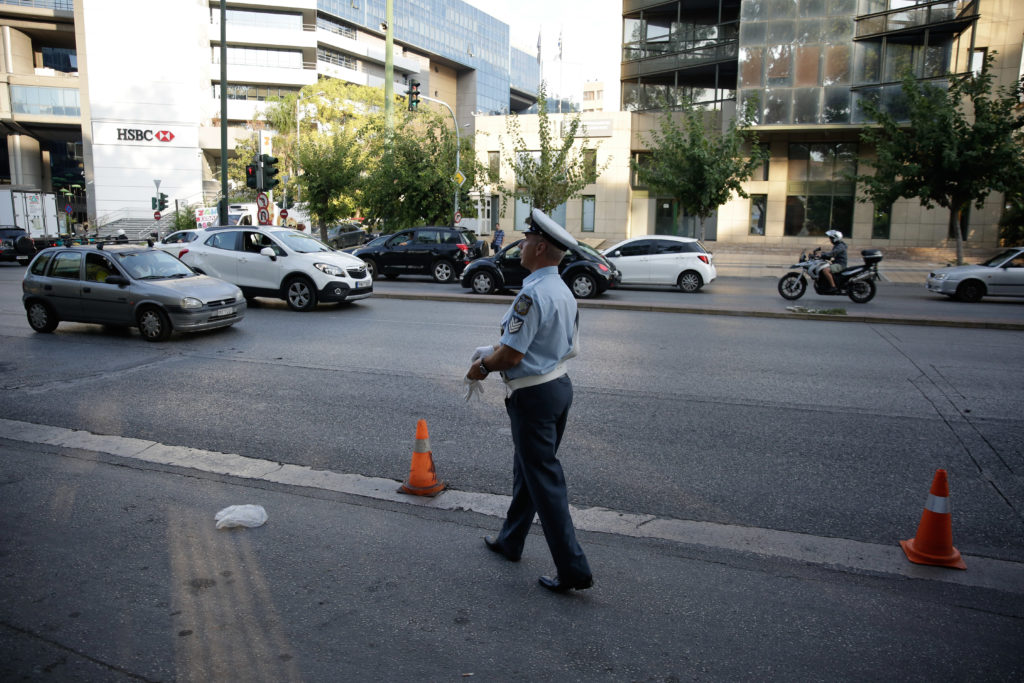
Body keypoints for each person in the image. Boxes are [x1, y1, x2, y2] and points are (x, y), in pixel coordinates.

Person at [466, 208, 593, 593]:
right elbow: (547, 344)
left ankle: (573, 569)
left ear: (539, 248)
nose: (520, 246)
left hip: (533, 396)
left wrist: (482, 367)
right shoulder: (563, 290)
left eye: (526, 241)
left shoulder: (531, 294)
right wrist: (494, 350)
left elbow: (512, 356)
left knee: (544, 480)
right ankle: (511, 540)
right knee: (530, 470)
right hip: (557, 387)